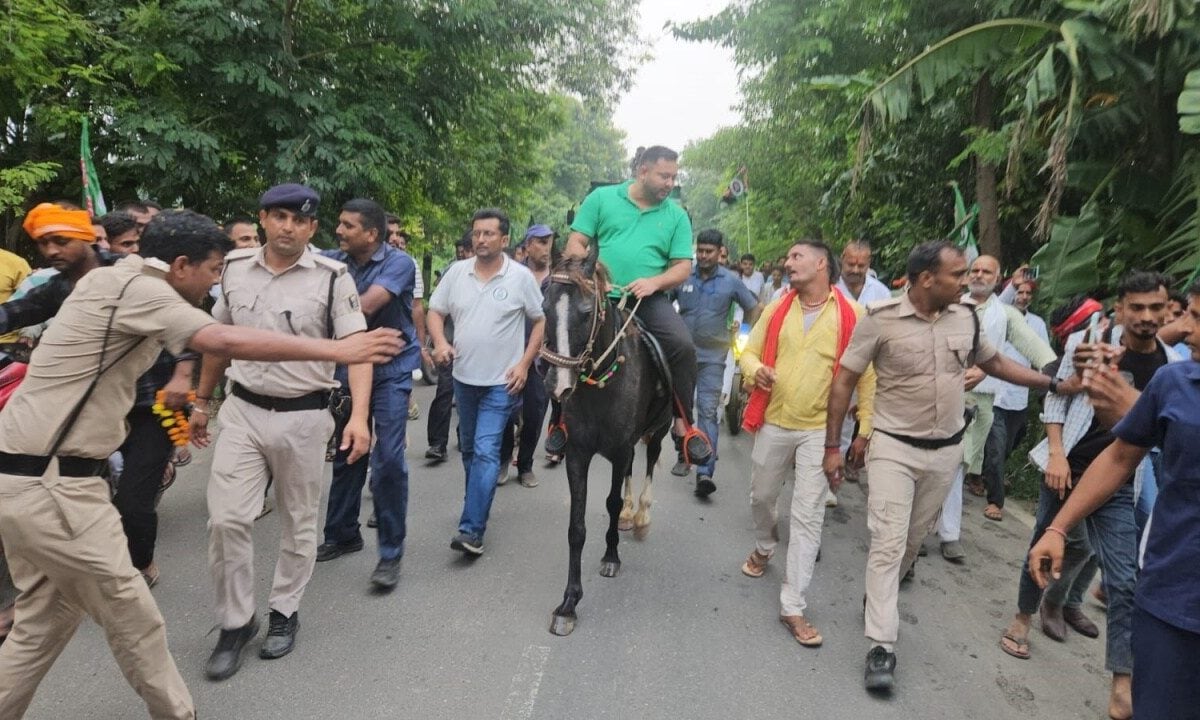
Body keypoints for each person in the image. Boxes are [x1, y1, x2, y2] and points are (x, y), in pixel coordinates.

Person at [0, 206, 400, 720]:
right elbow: (220, 339)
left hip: (29, 479)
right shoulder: (140, 289)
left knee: (43, 622)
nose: (216, 286)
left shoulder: (113, 281)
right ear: (182, 265)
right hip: (55, 487)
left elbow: (195, 346)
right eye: (213, 273)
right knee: (135, 617)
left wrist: (196, 398)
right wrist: (339, 351)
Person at [822, 240, 1060, 693]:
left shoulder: (966, 317)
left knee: (910, 545)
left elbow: (995, 363)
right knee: (888, 544)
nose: (967, 280)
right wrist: (835, 444)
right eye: (958, 274)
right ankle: (881, 645)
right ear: (927, 278)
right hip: (893, 448)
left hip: (945, 453)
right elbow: (845, 381)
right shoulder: (880, 320)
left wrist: (1051, 383)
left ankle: (880, 596)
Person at [192, 184, 377, 680]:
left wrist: (359, 417)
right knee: (226, 519)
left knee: (298, 520)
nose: (288, 227)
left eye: (299, 220)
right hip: (243, 411)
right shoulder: (233, 269)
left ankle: (284, 612)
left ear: (313, 228)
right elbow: (218, 340)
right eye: (279, 217)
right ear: (264, 219)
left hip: (305, 416)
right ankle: (235, 622)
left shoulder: (334, 277)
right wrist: (203, 402)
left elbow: (357, 349)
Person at [1029, 278, 1200, 720]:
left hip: (1129, 497)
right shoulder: (1171, 377)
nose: (1187, 330)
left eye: (1195, 318)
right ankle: (1029, 616)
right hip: (1169, 589)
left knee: (1121, 576)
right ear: (1120, 309)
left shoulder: (1165, 363)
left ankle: (1116, 675)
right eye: (1187, 316)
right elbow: (1122, 451)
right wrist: (1057, 526)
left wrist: (1129, 405)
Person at [738, 240, 875, 647]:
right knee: (761, 497)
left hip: (822, 432)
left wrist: (864, 429)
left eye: (796, 257)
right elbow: (748, 353)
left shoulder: (854, 314)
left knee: (808, 516)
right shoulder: (777, 308)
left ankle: (793, 605)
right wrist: (756, 369)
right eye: (788, 258)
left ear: (821, 264)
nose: (788, 263)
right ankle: (764, 546)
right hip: (775, 421)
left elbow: (867, 376)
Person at [562, 145, 712, 467]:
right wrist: (583, 275)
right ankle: (558, 421)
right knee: (562, 340)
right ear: (642, 171)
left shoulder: (676, 216)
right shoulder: (602, 199)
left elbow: (682, 266)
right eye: (664, 175)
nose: (670, 183)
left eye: (674, 176)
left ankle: (684, 426)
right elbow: (577, 241)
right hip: (600, 296)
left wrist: (654, 283)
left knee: (684, 347)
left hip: (647, 300)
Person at [316, 199, 420, 591]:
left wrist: (321, 316)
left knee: (389, 459)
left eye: (348, 226)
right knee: (346, 451)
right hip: (345, 367)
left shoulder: (399, 263)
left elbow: (360, 310)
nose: (339, 231)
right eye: (339, 224)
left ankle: (390, 554)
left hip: (390, 370)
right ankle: (342, 532)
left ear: (372, 235)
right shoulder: (329, 259)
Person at [427, 208, 544, 556]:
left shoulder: (520, 277)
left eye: (489, 234)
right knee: (469, 450)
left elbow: (539, 322)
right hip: (464, 378)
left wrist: (524, 364)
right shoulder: (457, 273)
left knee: (486, 449)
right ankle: (476, 505)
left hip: (501, 382)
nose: (480, 239)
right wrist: (440, 342)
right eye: (477, 233)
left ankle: (471, 529)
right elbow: (436, 311)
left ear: (504, 240)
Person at [937, 255, 1054, 553]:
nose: (978, 275)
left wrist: (1058, 378)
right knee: (933, 465)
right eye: (974, 270)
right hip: (938, 396)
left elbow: (1036, 348)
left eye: (986, 271)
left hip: (981, 404)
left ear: (998, 277)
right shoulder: (949, 304)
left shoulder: (1006, 315)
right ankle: (921, 527)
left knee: (956, 467)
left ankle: (949, 535)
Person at [674, 229, 760, 496]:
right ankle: (683, 451)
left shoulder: (731, 281)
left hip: (713, 357)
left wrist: (746, 333)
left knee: (708, 411)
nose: (703, 256)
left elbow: (753, 307)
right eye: (699, 250)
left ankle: (704, 471)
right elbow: (664, 305)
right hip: (682, 356)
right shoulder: (683, 276)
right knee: (680, 411)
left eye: (708, 251)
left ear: (720, 252)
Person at [982, 277, 1050, 518]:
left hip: (1019, 398)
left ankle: (982, 475)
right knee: (997, 450)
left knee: (1007, 447)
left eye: (1027, 293)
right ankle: (995, 502)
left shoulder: (1037, 323)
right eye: (1018, 291)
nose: (1022, 296)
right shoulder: (997, 314)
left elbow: (1044, 359)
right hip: (995, 394)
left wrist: (1048, 389)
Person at [498, 224, 555, 487]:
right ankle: (503, 459)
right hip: (510, 355)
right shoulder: (511, 274)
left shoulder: (558, 280)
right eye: (540, 242)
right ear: (528, 245)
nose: (545, 248)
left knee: (534, 414)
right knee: (506, 412)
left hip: (542, 361)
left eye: (549, 242)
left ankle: (526, 466)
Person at [425, 230, 473, 462]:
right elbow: (436, 310)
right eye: (470, 249)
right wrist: (439, 342)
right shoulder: (452, 273)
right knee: (445, 392)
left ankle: (465, 437)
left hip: (477, 351)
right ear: (465, 251)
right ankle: (437, 444)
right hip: (450, 344)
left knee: (471, 396)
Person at [385, 213, 426, 422]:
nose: (394, 238)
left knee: (392, 412)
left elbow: (417, 307)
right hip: (363, 347)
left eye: (397, 234)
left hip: (400, 345)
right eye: (389, 233)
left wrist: (420, 345)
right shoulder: (355, 263)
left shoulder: (409, 264)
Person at [835, 240, 891, 306]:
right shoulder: (829, 289)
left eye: (861, 266)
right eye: (851, 264)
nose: (855, 270)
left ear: (868, 264)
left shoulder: (881, 293)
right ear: (842, 260)